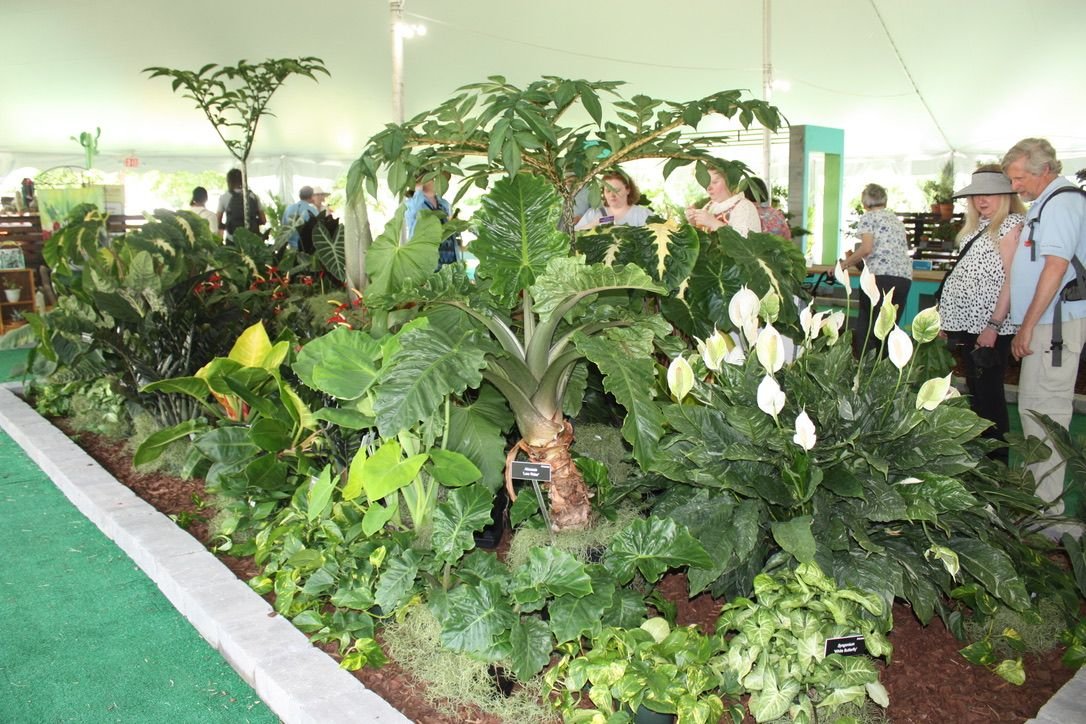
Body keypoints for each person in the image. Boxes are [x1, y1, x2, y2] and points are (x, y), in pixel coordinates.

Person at [1003, 138, 1086, 519]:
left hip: (1054, 327)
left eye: (1019, 177)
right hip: (1046, 325)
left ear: (1045, 171)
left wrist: (1028, 326)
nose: (1014, 185)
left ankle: (1049, 516)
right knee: (1034, 410)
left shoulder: (1063, 201)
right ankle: (1039, 504)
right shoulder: (1047, 203)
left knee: (1047, 414)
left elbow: (1055, 267)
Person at [937, 166, 1025, 461]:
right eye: (976, 195)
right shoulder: (976, 228)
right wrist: (945, 318)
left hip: (990, 326)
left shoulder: (1011, 224)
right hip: (967, 325)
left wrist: (994, 325)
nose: (981, 200)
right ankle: (983, 462)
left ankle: (996, 465)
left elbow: (1012, 280)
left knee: (989, 397)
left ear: (1006, 194)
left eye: (989, 193)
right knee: (976, 392)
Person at [839, 183, 912, 353]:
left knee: (868, 330)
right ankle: (886, 372)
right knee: (888, 330)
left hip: (878, 279)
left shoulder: (869, 217)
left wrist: (844, 264)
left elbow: (866, 248)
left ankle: (866, 373)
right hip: (903, 280)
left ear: (865, 201)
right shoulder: (895, 220)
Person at [404, 174, 462, 267]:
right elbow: (413, 214)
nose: (434, 182)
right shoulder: (412, 202)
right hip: (426, 256)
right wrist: (418, 191)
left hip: (448, 254)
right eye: (431, 179)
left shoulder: (444, 203)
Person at [685, 168, 761, 237]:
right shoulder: (710, 205)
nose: (709, 188)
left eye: (715, 182)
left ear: (729, 182)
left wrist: (713, 223)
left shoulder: (744, 206)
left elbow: (745, 244)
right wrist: (693, 222)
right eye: (706, 183)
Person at [574, 169, 650, 231]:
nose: (612, 195)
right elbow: (577, 238)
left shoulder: (643, 214)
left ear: (628, 190)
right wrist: (593, 225)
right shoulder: (593, 214)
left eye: (616, 190)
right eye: (608, 191)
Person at [217, 168, 266, 240]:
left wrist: (228, 226)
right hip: (252, 240)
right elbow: (263, 220)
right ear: (243, 180)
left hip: (233, 240)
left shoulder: (224, 197)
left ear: (229, 181)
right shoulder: (253, 196)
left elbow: (217, 222)